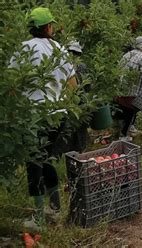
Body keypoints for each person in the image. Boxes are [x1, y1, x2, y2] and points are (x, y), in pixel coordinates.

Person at [9, 7, 77, 229]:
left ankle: (38, 217)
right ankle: (55, 208)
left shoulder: (23, 49)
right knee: (47, 158)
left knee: (34, 162)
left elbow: (12, 84)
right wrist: (61, 104)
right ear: (48, 27)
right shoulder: (60, 49)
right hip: (58, 116)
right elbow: (73, 85)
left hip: (34, 116)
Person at [118, 36, 142, 140]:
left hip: (120, 89)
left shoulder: (126, 55)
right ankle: (124, 136)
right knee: (131, 111)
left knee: (125, 112)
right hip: (132, 90)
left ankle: (129, 130)